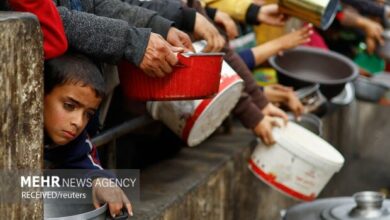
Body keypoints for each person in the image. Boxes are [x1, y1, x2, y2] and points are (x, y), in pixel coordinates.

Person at [43, 53, 132, 218]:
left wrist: (101, 181)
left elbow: (89, 168)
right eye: (69, 106)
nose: (78, 122)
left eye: (88, 114)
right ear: (39, 95)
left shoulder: (77, 143)